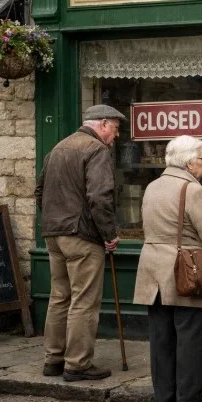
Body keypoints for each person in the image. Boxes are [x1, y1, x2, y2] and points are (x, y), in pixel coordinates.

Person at [133, 135, 202, 402]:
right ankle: (190, 400)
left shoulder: (153, 186)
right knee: (193, 338)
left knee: (162, 339)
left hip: (154, 272)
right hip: (189, 272)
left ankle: (165, 398)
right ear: (190, 162)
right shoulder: (192, 190)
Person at [35, 104, 126, 381]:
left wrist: (52, 219)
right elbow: (100, 197)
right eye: (115, 128)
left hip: (54, 234)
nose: (117, 135)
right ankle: (77, 364)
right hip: (82, 235)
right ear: (102, 125)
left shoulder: (59, 147)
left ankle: (54, 359)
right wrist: (109, 235)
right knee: (83, 301)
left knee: (59, 298)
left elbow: (39, 190)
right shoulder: (96, 150)